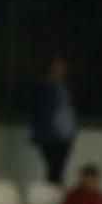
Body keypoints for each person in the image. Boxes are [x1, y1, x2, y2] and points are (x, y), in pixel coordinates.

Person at [30, 56, 77, 184]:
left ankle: (55, 191)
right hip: (50, 134)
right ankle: (50, 194)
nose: (60, 71)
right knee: (53, 167)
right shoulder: (44, 87)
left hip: (65, 134)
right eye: (57, 68)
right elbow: (41, 111)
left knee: (59, 167)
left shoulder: (66, 86)